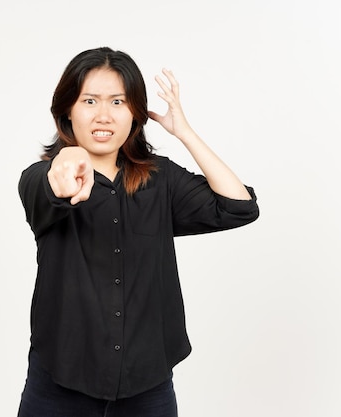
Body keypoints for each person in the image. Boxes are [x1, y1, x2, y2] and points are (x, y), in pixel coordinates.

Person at [17, 46, 259, 417]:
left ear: (135, 112)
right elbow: (53, 182)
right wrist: (68, 161)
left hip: (146, 386)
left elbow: (238, 206)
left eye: (117, 101)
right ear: (67, 109)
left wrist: (185, 133)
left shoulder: (160, 180)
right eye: (89, 100)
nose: (103, 115)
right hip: (60, 383)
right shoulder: (41, 179)